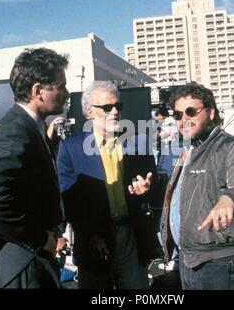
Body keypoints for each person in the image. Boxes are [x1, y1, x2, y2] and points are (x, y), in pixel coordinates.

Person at [0, 48, 70, 288]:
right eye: (61, 86)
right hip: (21, 268)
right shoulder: (15, 131)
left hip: (30, 263)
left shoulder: (29, 128)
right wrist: (40, 240)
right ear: (38, 91)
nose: (67, 93)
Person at [160, 83, 234, 290]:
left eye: (190, 111)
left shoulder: (232, 149)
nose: (183, 120)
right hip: (188, 259)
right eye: (178, 115)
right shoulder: (189, 150)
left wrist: (232, 199)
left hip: (219, 264)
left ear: (211, 112)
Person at [57, 81, 158, 289]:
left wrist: (145, 191)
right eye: (107, 107)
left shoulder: (137, 143)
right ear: (89, 112)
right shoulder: (71, 148)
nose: (114, 112)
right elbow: (69, 199)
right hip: (95, 242)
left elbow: (153, 189)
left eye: (118, 106)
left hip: (131, 237)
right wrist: (89, 234)